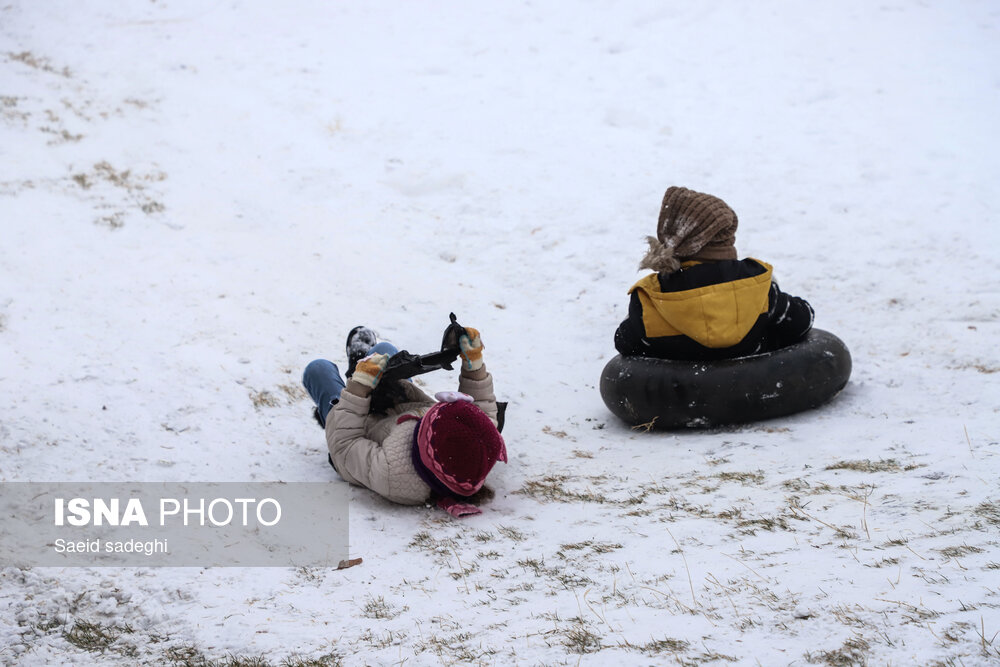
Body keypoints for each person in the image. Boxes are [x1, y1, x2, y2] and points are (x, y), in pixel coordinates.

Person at [302, 326, 506, 517]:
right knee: (385, 349)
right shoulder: (476, 456)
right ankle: (364, 367)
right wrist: (474, 364)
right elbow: (482, 413)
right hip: (397, 406)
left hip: (357, 427)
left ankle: (356, 374)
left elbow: (345, 444)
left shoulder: (392, 472)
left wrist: (359, 387)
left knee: (318, 369)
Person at [614, 186, 814, 360]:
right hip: (751, 382)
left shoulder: (652, 298)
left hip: (680, 390)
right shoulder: (756, 285)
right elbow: (802, 320)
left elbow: (624, 342)